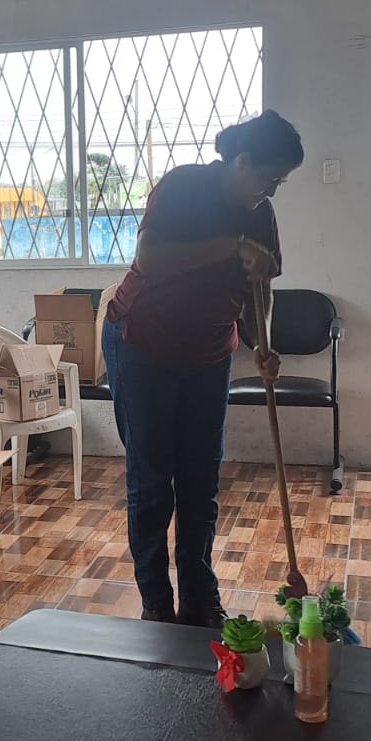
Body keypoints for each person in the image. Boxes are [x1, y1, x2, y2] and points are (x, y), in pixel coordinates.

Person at [102, 110, 304, 628]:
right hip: (143, 343)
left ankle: (199, 595)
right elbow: (149, 258)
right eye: (268, 178)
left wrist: (262, 343)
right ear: (241, 161)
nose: (272, 191)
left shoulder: (261, 213)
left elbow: (260, 287)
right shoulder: (184, 187)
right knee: (153, 481)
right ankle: (156, 601)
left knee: (199, 479)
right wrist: (231, 246)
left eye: (280, 183)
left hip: (210, 354)